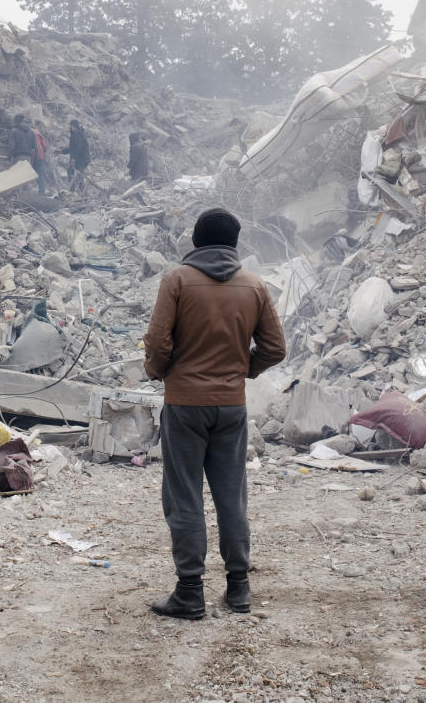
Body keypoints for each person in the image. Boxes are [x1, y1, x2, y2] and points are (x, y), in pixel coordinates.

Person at [143, 208, 286, 620]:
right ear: (234, 244)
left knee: (184, 495)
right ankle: (238, 588)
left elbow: (157, 341)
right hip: (232, 406)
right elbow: (275, 348)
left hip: (185, 405)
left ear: (196, 241)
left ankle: (190, 591)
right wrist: (243, 370)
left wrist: (160, 372)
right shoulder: (254, 285)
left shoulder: (177, 280)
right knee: (231, 495)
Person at [59, 119, 90, 193]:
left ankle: (75, 193)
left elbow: (79, 147)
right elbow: (73, 148)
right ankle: (78, 193)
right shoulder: (79, 133)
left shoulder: (76, 134)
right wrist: (62, 151)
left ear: (72, 125)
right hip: (82, 159)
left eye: (70, 125)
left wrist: (73, 158)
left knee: (75, 174)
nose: (69, 127)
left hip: (80, 159)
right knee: (75, 174)